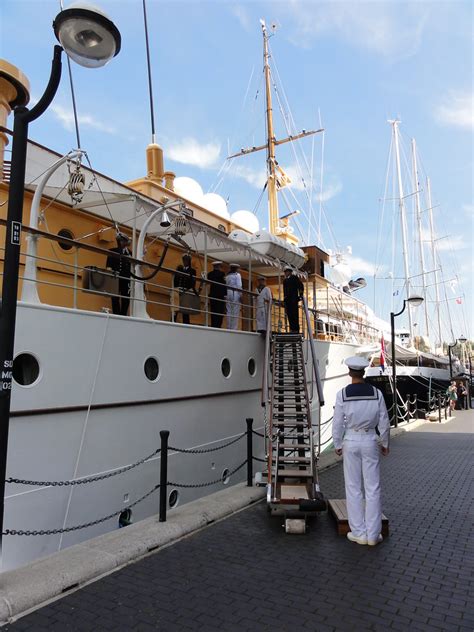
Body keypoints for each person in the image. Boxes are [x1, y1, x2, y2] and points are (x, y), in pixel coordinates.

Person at [332, 356, 390, 547]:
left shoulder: (342, 394)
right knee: (373, 488)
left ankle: (358, 532)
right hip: (370, 440)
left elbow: (338, 422)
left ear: (350, 373)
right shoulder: (376, 393)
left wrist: (338, 444)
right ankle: (373, 535)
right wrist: (385, 443)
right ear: (363, 372)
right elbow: (384, 421)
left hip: (351, 440)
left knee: (353, 488)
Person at [106, 233, 132, 315]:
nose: (121, 242)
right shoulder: (112, 251)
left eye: (123, 240)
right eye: (120, 240)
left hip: (126, 279)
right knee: (114, 298)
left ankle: (123, 314)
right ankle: (116, 314)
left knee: (126, 298)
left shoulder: (130, 254)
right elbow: (109, 266)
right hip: (115, 278)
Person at [173, 254, 197, 324]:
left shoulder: (192, 271)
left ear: (189, 261)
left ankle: (186, 324)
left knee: (185, 311)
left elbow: (193, 282)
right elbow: (175, 280)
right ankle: (172, 321)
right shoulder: (179, 269)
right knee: (175, 309)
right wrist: (175, 289)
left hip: (186, 292)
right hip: (178, 290)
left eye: (186, 260)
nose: (185, 261)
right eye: (184, 259)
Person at [283, 266, 304, 333]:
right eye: (285, 272)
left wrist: (300, 295)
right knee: (289, 315)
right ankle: (292, 329)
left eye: (286, 272)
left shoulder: (294, 278)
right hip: (288, 301)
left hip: (294, 299)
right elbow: (285, 291)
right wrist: (285, 298)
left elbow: (300, 286)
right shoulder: (285, 281)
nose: (285, 273)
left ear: (290, 272)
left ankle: (296, 329)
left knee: (295, 315)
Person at [206, 261, 227, 328]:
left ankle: (213, 325)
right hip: (220, 295)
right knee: (220, 311)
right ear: (219, 266)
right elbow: (224, 285)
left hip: (213, 295)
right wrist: (225, 294)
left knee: (213, 311)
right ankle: (218, 325)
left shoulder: (210, 274)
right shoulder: (222, 274)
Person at [226, 263, 242, 330]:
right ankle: (234, 327)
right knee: (235, 310)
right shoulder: (237, 275)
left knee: (229, 310)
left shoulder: (227, 275)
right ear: (236, 269)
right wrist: (241, 295)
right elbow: (239, 285)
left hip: (228, 292)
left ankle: (229, 326)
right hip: (235, 292)